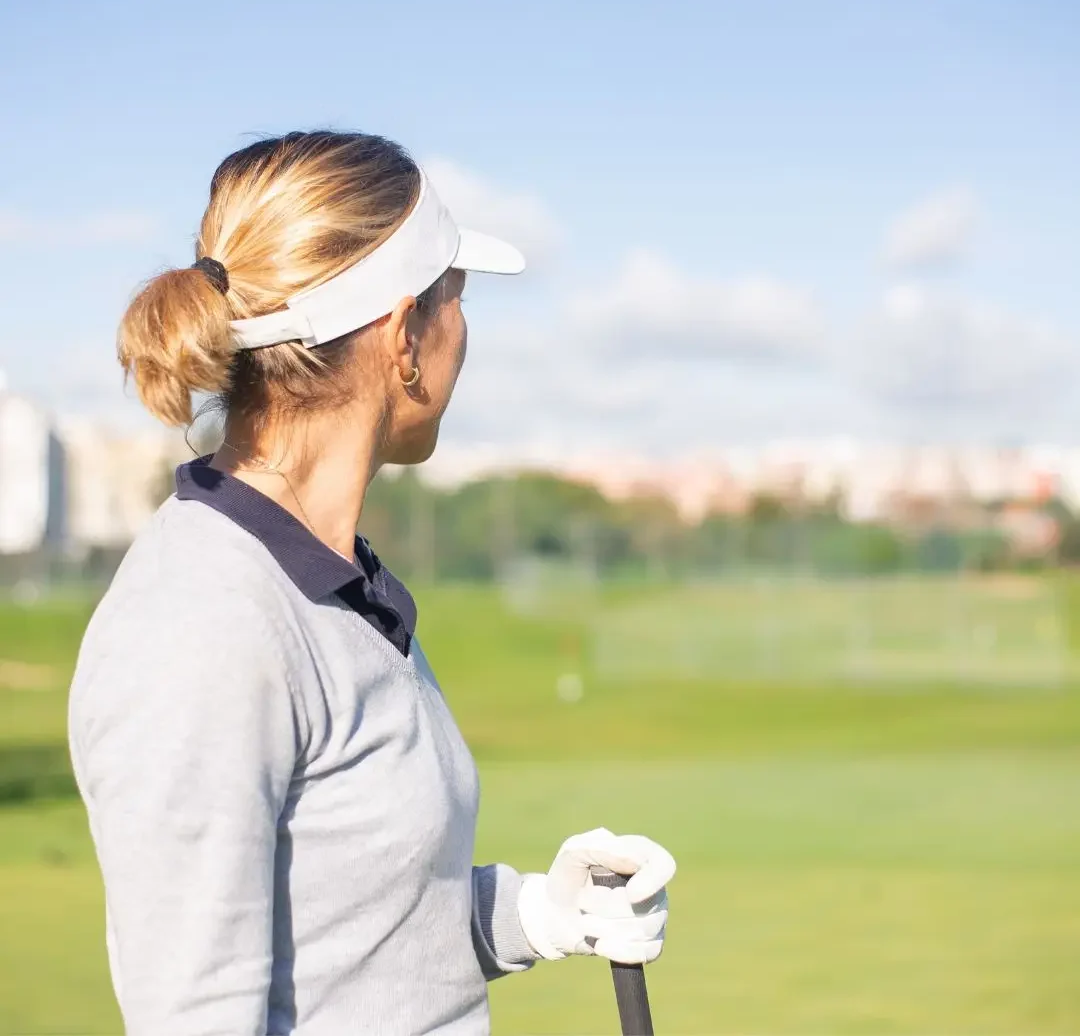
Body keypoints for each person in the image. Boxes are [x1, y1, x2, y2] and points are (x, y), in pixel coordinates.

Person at [68, 130, 675, 1036]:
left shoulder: (333, 580)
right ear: (403, 337)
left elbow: (361, 942)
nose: (465, 331)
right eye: (457, 299)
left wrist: (541, 915)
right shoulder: (203, 624)